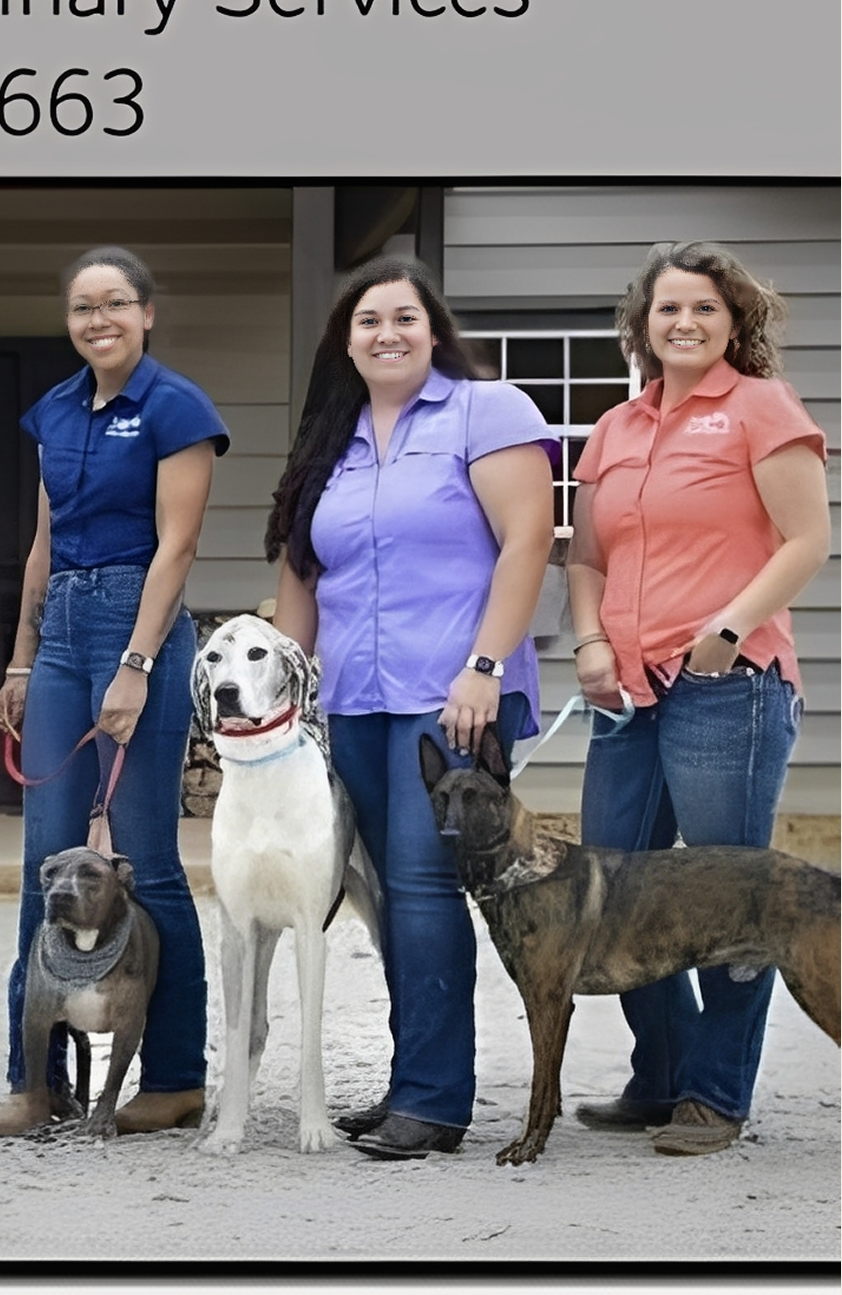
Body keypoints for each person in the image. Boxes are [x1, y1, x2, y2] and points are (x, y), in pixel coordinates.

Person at [264, 254, 554, 1159]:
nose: (386, 334)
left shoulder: (485, 411)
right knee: (389, 891)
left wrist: (484, 665)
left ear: (434, 331)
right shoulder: (330, 440)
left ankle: (434, 1103)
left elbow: (527, 541)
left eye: (404, 318)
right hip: (354, 700)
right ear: (345, 343)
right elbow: (302, 579)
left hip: (455, 695)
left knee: (425, 886)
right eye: (368, 321)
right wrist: (286, 705)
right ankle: (411, 1081)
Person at [566, 242, 829, 1157]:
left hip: (727, 686)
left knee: (730, 897)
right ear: (642, 324)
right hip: (624, 691)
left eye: (705, 308)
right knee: (613, 890)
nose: (684, 322)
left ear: (733, 322)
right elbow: (586, 557)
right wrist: (591, 642)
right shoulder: (615, 428)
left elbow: (806, 539)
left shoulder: (762, 407)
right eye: (668, 308)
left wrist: (727, 631)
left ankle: (715, 1094)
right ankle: (663, 1074)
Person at [0, 246, 227, 1139]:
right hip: (63, 630)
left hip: (137, 618)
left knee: (146, 861)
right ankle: (36, 1083)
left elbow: (177, 546)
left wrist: (138, 663)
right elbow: (44, 545)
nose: (98, 320)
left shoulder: (176, 408)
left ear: (146, 313)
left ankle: (176, 1076)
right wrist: (21, 658)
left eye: (115, 303)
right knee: (45, 862)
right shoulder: (53, 411)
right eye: (83, 307)